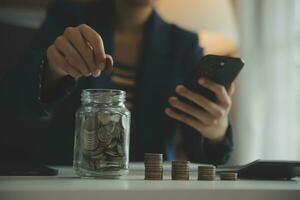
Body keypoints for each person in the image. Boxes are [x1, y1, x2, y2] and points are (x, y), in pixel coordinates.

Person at [0, 0, 235, 165]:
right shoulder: (68, 18)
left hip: (149, 188)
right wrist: (53, 70)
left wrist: (216, 131)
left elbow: (197, 148)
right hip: (69, 181)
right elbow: (14, 98)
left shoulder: (184, 44)